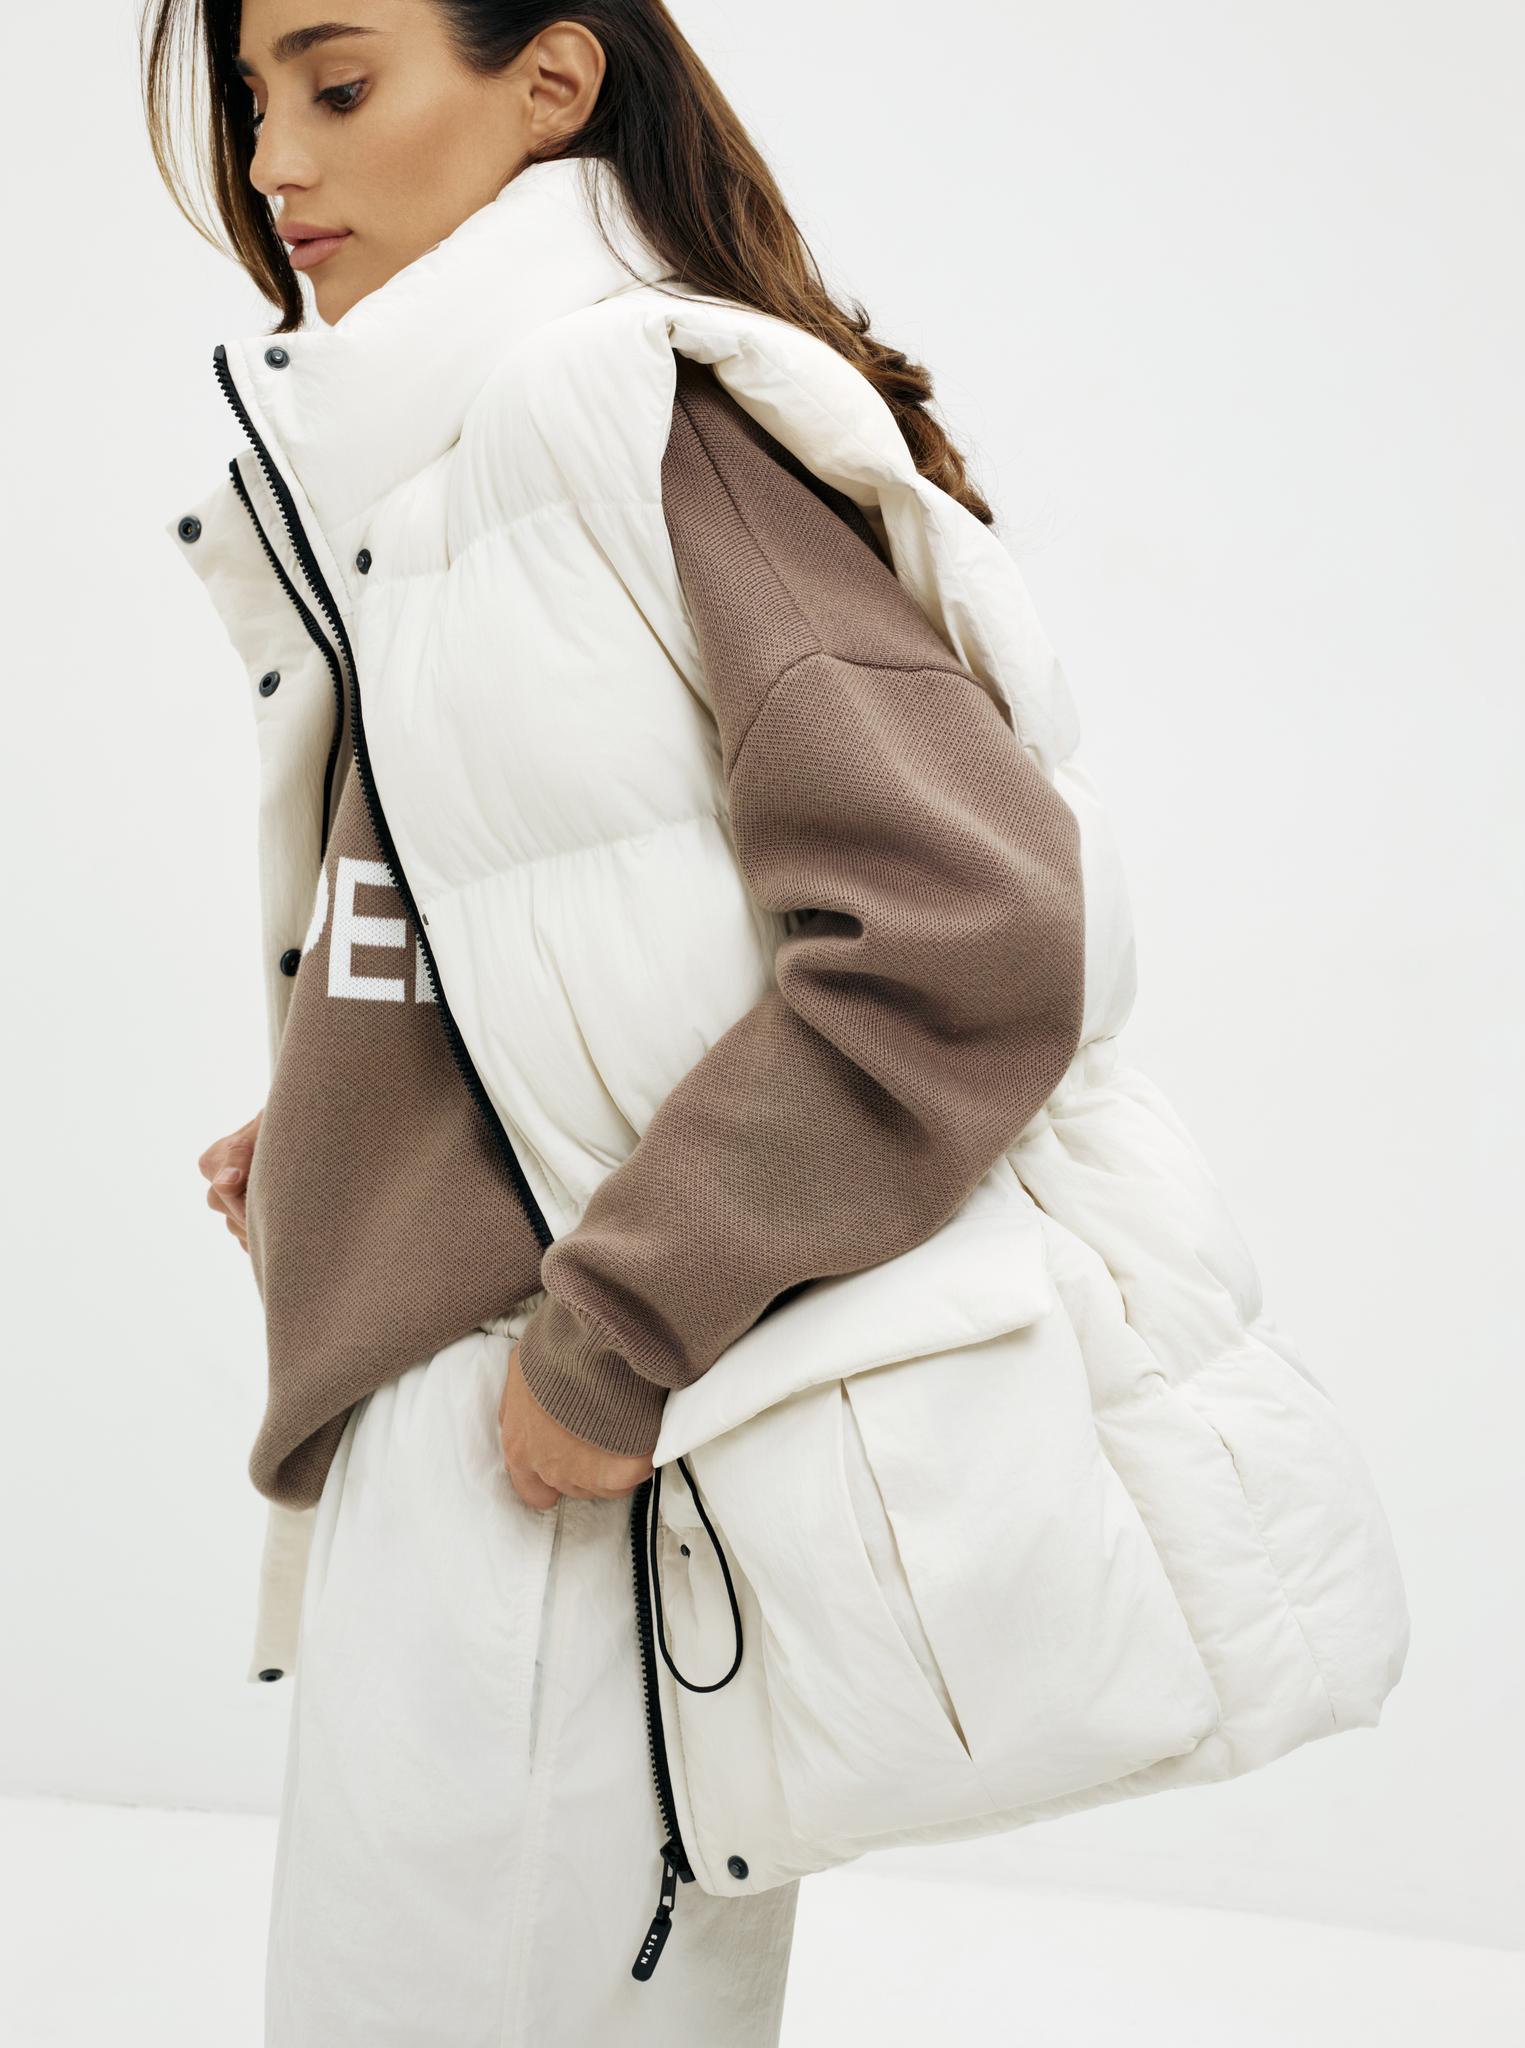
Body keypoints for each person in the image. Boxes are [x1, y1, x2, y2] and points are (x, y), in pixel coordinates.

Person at [147, 1, 1088, 2041]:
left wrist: (621, 1331)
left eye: (336, 83)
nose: (276, 163)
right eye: (250, 99)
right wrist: (358, 1124)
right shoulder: (439, 467)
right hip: (455, 1437)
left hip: (561, 1461)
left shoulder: (619, 416)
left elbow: (968, 933)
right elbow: (527, 921)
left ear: (551, 82)